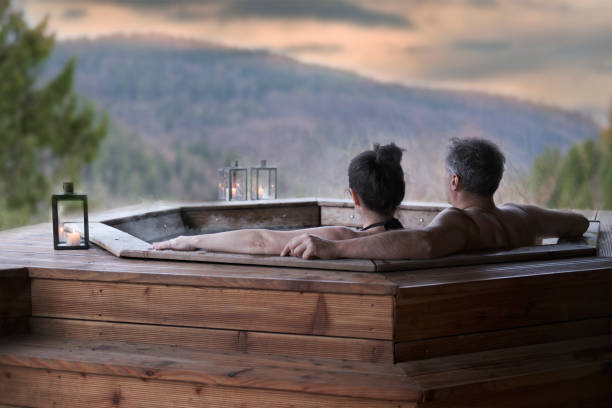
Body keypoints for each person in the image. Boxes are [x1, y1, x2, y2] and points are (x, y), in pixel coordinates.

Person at [280, 137, 590, 260]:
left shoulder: (459, 222)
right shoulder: (524, 217)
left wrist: (335, 248)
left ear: (454, 180)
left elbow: (424, 244)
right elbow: (580, 222)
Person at [152, 143, 406, 254]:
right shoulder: (421, 241)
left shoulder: (340, 240)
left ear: (354, 197)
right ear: (401, 193)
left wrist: (192, 240)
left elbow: (260, 241)